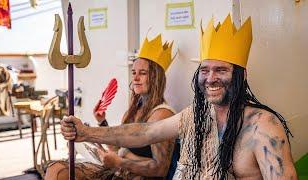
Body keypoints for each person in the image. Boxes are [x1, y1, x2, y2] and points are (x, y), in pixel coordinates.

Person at [60, 14, 297, 179]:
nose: (211, 78)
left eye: (221, 70)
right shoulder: (195, 116)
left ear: (241, 75)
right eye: (204, 70)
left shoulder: (263, 126)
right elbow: (146, 132)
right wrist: (87, 132)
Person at [45, 34, 177, 180]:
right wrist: (102, 122)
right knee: (57, 169)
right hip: (119, 173)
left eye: (143, 73)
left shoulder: (162, 114)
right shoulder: (132, 112)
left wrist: (120, 162)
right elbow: (117, 149)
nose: (135, 78)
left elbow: (160, 169)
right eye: (133, 72)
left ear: (156, 77)